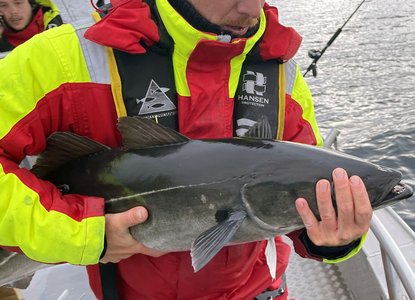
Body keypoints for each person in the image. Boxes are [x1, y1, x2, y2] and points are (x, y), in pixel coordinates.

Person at [0, 0, 373, 299]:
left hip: (259, 292)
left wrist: (332, 239)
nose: (251, 9)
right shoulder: (65, 59)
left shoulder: (281, 74)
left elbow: (299, 191)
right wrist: (81, 232)